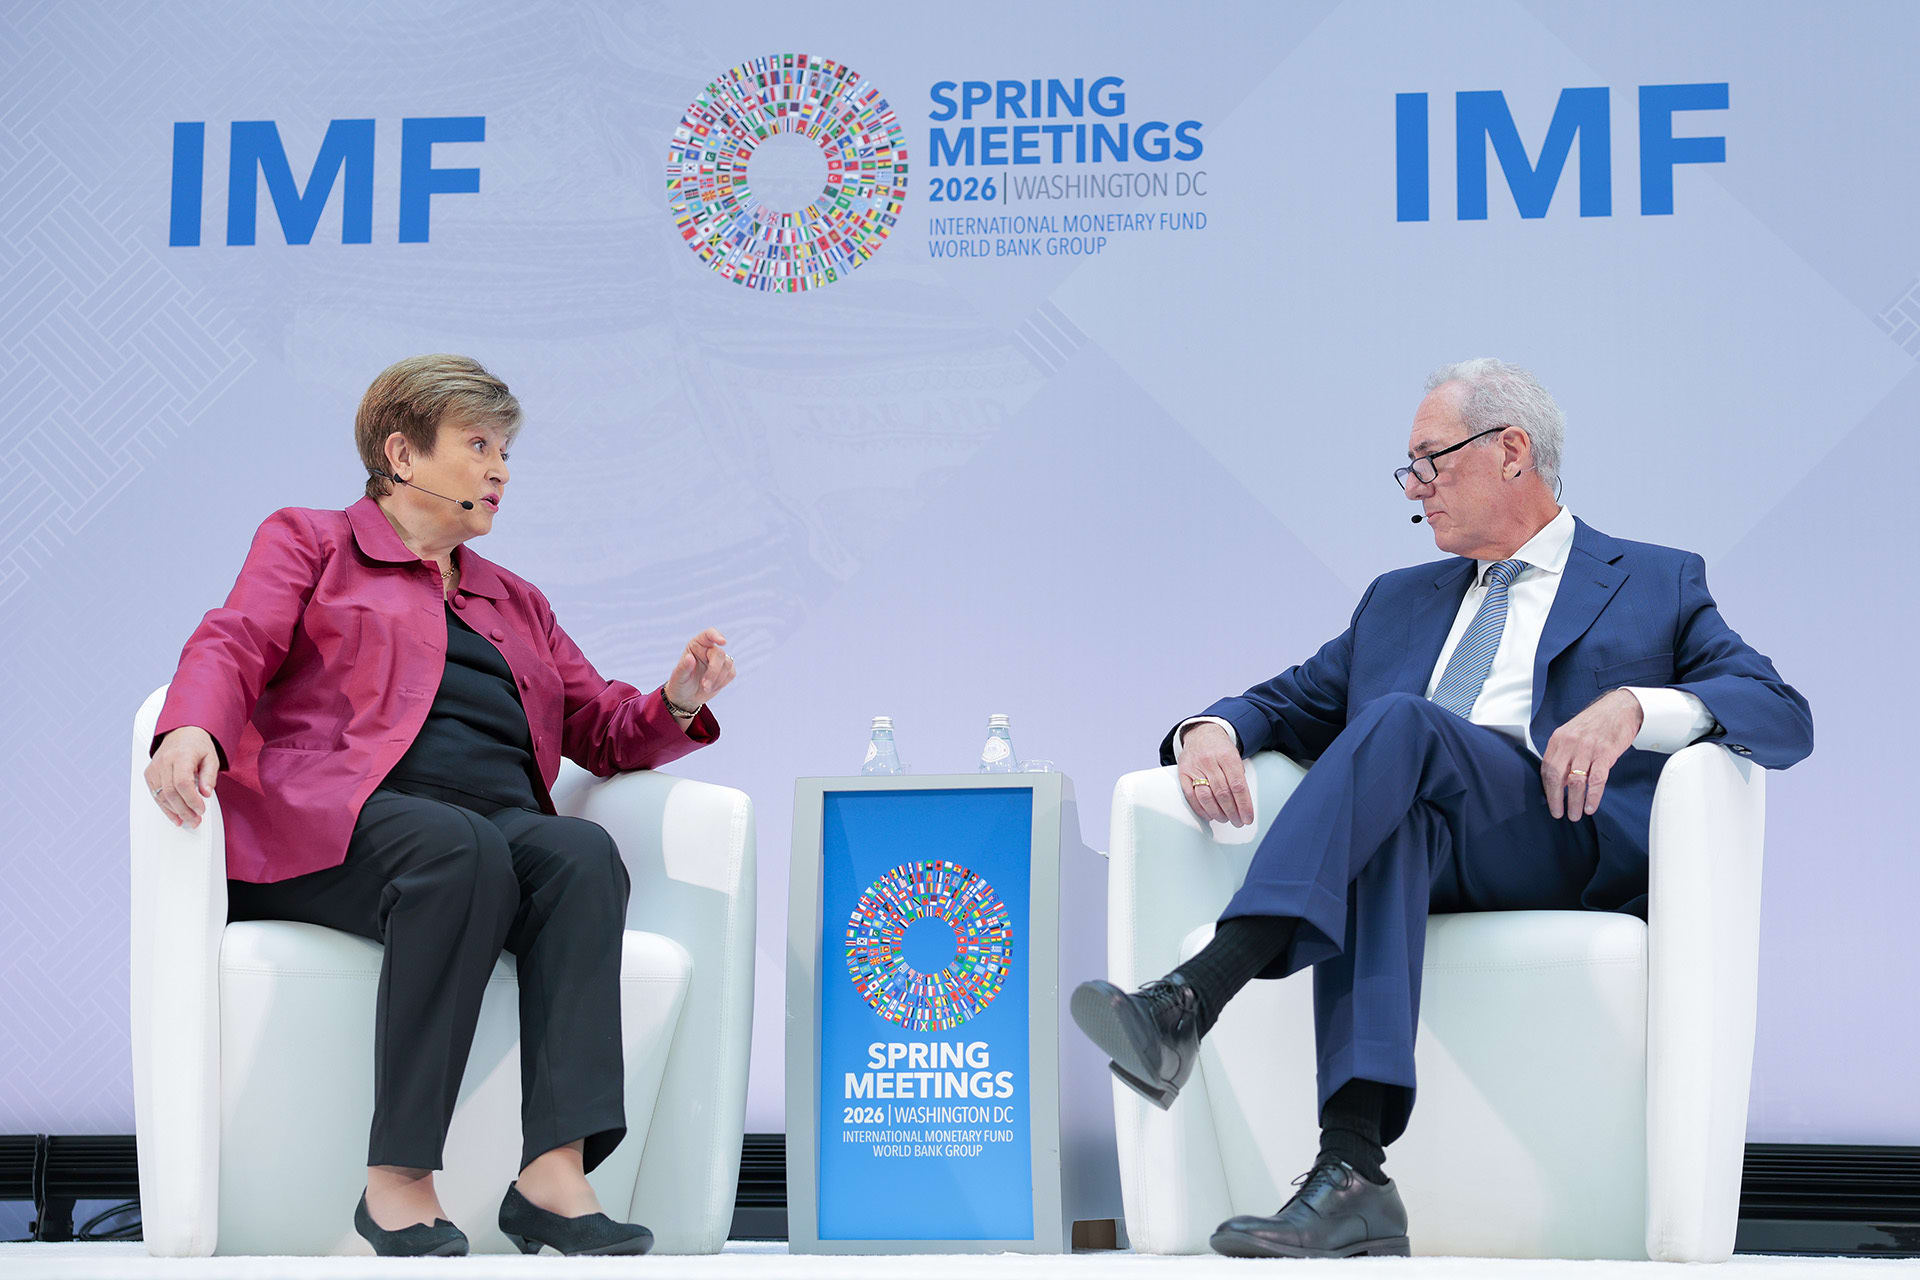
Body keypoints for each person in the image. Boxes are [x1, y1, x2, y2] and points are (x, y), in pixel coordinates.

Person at [1070, 358, 1812, 1260]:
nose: (1415, 489)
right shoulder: (1398, 600)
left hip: (1557, 836)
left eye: (1430, 461)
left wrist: (1636, 708)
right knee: (1393, 813)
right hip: (1427, 828)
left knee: (1398, 728)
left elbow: (1781, 710)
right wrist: (1209, 731)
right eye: (1409, 470)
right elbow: (1289, 701)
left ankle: (1196, 995)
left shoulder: (1654, 580)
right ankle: (1352, 1174)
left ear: (1511, 451)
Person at [144, 355, 736, 1257]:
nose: (501, 469)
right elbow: (236, 638)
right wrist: (192, 726)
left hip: (487, 831)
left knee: (579, 855)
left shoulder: (513, 598)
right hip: (342, 820)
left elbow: (603, 729)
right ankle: (398, 1183)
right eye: (479, 445)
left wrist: (679, 698)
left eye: (505, 450)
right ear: (402, 454)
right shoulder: (312, 541)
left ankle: (554, 1172)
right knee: (457, 848)